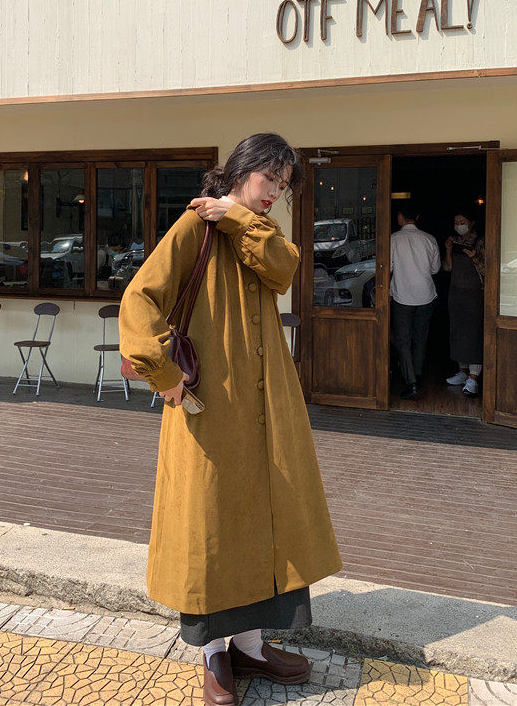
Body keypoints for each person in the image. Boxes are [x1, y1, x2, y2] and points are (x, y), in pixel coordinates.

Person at [119, 133, 342, 706]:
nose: (275, 193)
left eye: (283, 185)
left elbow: (284, 269)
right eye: (269, 179)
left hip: (268, 410)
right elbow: (138, 299)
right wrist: (164, 374)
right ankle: (215, 654)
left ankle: (252, 646)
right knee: (212, 525)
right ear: (241, 171)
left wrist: (239, 218)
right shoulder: (194, 228)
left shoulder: (255, 232)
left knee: (265, 521)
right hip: (210, 410)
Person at [390, 205, 441, 399]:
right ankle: (417, 375)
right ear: (417, 217)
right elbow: (435, 269)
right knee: (420, 338)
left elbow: (388, 267)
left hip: (402, 296)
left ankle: (410, 382)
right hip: (425, 296)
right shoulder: (429, 239)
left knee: (403, 341)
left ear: (400, 218)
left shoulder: (393, 239)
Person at [443, 208, 485, 397]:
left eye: (462, 222)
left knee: (473, 334)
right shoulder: (454, 241)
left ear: (471, 223)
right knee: (458, 332)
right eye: (456, 222)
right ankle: (463, 371)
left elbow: (488, 269)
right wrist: (448, 250)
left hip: (474, 294)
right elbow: (447, 268)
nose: (459, 226)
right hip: (456, 292)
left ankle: (474, 378)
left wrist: (474, 257)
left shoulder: (481, 241)